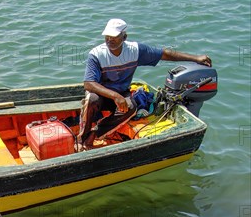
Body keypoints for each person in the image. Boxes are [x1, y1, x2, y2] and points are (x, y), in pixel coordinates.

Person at [78, 18, 212, 148]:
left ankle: (96, 132)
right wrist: (115, 96)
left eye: (114, 36)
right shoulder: (96, 54)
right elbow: (89, 83)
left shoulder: (135, 50)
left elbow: (164, 54)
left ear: (124, 37)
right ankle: (82, 138)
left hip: (122, 94)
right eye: (107, 36)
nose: (109, 40)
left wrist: (196, 58)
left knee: (131, 107)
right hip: (102, 94)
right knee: (92, 99)